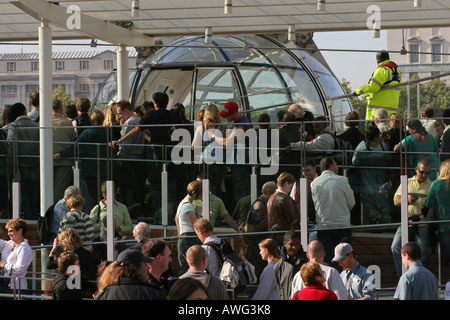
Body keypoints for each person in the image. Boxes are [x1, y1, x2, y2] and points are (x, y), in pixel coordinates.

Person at [55, 109, 108, 204]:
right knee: (103, 193)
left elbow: (74, 146)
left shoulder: (87, 133)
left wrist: (61, 154)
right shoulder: (108, 133)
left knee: (91, 194)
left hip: (89, 169)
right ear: (102, 119)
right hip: (105, 168)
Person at [391, 158, 433, 278]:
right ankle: (402, 277)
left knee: (423, 250)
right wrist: (407, 199)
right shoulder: (407, 182)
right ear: (416, 169)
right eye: (422, 172)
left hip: (423, 222)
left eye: (427, 173)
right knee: (395, 246)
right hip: (407, 220)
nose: (424, 175)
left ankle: (420, 278)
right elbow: (395, 201)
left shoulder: (431, 185)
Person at [311, 157, 355, 265]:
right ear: (330, 166)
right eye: (336, 165)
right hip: (342, 226)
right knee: (345, 260)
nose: (338, 168)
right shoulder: (342, 180)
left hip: (324, 227)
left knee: (328, 260)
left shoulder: (314, 183)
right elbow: (352, 203)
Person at [6, 102, 40, 220]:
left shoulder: (14, 126)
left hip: (21, 163)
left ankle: (27, 217)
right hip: (36, 163)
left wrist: (11, 158)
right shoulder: (36, 126)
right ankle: (36, 216)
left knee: (24, 191)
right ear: (25, 112)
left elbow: (10, 144)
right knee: (35, 190)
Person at [352, 125, 391, 224]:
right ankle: (386, 223)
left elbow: (354, 162)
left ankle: (372, 219)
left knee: (367, 201)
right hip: (381, 180)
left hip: (366, 179)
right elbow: (388, 158)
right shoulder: (383, 146)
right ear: (376, 136)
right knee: (383, 202)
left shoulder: (361, 147)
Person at [95, 249, 166, 300]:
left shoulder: (104, 295)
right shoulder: (152, 294)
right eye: (145, 264)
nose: (148, 267)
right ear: (135, 267)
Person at [218, 101, 253, 205]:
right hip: (240, 162)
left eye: (227, 116)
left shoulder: (241, 125)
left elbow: (229, 142)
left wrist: (214, 137)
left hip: (241, 165)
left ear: (233, 114)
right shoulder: (240, 122)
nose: (225, 118)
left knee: (241, 192)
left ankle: (243, 218)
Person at [353, 50, 401, 123]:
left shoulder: (382, 70)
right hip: (392, 112)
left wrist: (358, 91)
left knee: (373, 132)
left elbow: (373, 87)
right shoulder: (396, 72)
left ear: (379, 59)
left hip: (377, 112)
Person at [241, 181, 277, 278]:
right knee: (257, 273)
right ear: (269, 192)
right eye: (274, 194)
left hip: (253, 243)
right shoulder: (261, 205)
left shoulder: (258, 203)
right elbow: (259, 225)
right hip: (255, 244)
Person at [47, 227, 98, 296]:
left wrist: (53, 249)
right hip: (91, 291)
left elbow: (49, 265)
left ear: (65, 242)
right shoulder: (90, 254)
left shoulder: (69, 258)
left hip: (76, 292)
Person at [115, 100, 146, 207]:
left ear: (126, 110)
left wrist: (118, 158)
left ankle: (128, 207)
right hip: (138, 158)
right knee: (136, 186)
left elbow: (125, 145)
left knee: (126, 187)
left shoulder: (129, 123)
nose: (119, 116)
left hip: (127, 160)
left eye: (119, 113)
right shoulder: (138, 120)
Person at [423, 159, 450, 280]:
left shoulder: (436, 184)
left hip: (443, 226)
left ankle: (446, 284)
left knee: (445, 256)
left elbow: (428, 204)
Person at [52, 99, 77, 203]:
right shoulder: (67, 123)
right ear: (61, 108)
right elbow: (74, 139)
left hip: (48, 160)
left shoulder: (43, 122)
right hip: (65, 160)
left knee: (47, 186)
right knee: (60, 190)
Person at [175, 180, 202, 274]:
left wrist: (179, 234)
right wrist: (198, 212)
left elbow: (176, 219)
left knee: (184, 266)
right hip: (189, 237)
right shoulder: (188, 206)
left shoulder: (182, 203)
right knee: (192, 265)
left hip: (183, 237)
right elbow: (195, 224)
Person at [273, 230, 308, 300]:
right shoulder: (278, 266)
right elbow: (280, 290)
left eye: (297, 243)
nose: (294, 247)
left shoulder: (308, 262)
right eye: (291, 244)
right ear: (284, 244)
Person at [267, 172, 299, 246]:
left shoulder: (271, 197)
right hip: (284, 234)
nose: (290, 189)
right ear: (287, 183)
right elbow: (293, 218)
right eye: (291, 186)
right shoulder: (284, 198)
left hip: (273, 234)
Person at [0, 218, 33, 290]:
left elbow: (19, 269)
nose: (8, 233)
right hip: (4, 282)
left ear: (20, 231)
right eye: (8, 231)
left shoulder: (25, 248)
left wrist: (2, 265)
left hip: (16, 285)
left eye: (11, 231)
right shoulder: (9, 243)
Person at [289, 157, 318, 225]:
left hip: (319, 221)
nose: (305, 173)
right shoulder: (297, 184)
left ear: (315, 168)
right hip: (303, 222)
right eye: (303, 170)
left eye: (308, 170)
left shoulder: (322, 182)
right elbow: (293, 202)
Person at [278, 112, 301, 179]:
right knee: (298, 182)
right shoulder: (298, 133)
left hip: (284, 165)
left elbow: (280, 151)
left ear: (283, 121)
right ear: (294, 121)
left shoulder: (279, 133)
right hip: (297, 164)